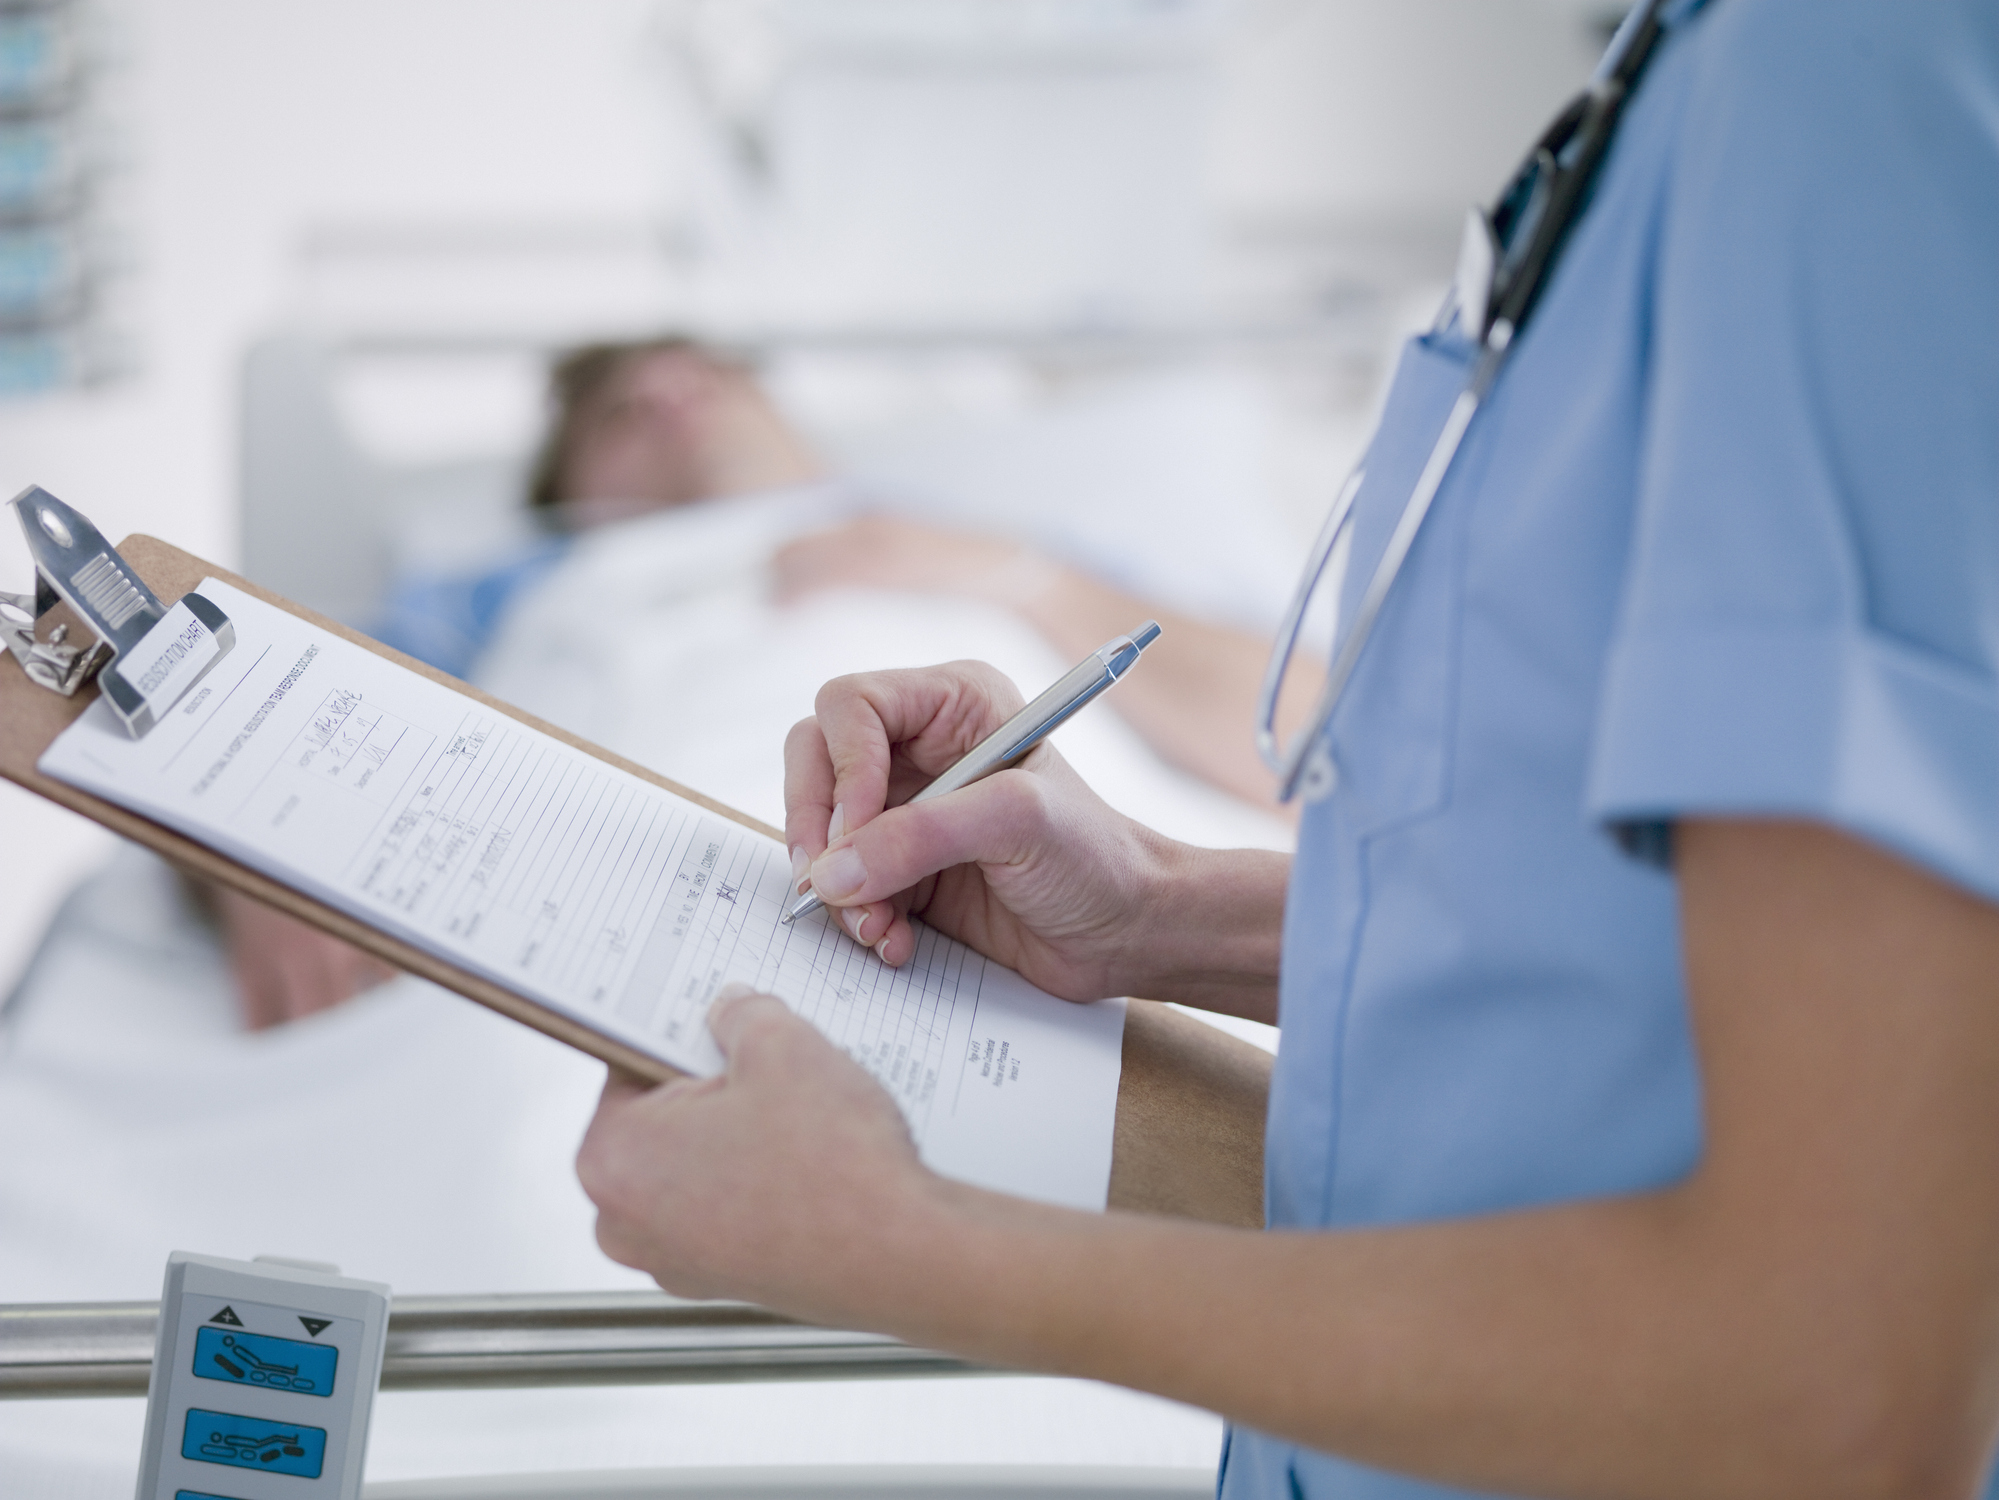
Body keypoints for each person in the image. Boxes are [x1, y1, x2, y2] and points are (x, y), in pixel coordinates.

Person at [573, 3, 1999, 1498]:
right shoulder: (1696, 100)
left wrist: (902, 1247)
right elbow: (1628, 970)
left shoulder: (1837, 84)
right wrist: (1164, 908)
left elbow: (1830, 1389)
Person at [220, 337, 1308, 1028]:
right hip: (595, 917)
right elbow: (265, 698)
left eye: (697, 374)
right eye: (619, 417)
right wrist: (246, 845)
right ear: (572, 493)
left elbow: (1311, 737)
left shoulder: (989, 544)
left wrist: (1018, 576)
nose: (661, 392)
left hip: (1056, 924)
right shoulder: (517, 584)